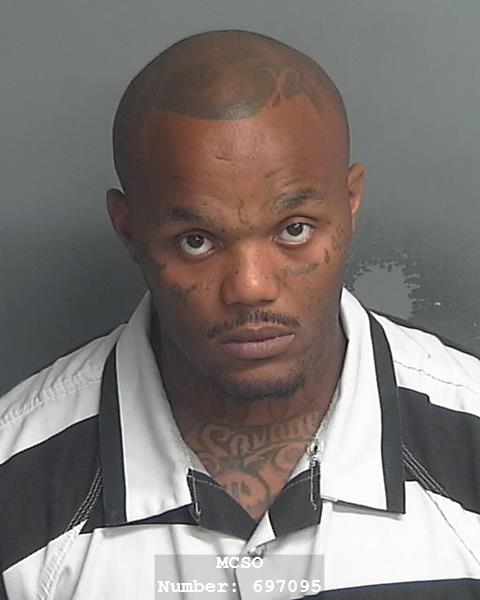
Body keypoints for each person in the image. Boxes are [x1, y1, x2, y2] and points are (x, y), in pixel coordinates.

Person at [1, 29, 480, 600]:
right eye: (197, 240)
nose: (251, 288)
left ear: (350, 204)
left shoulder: (469, 439)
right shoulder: (14, 482)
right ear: (129, 230)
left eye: (294, 230)